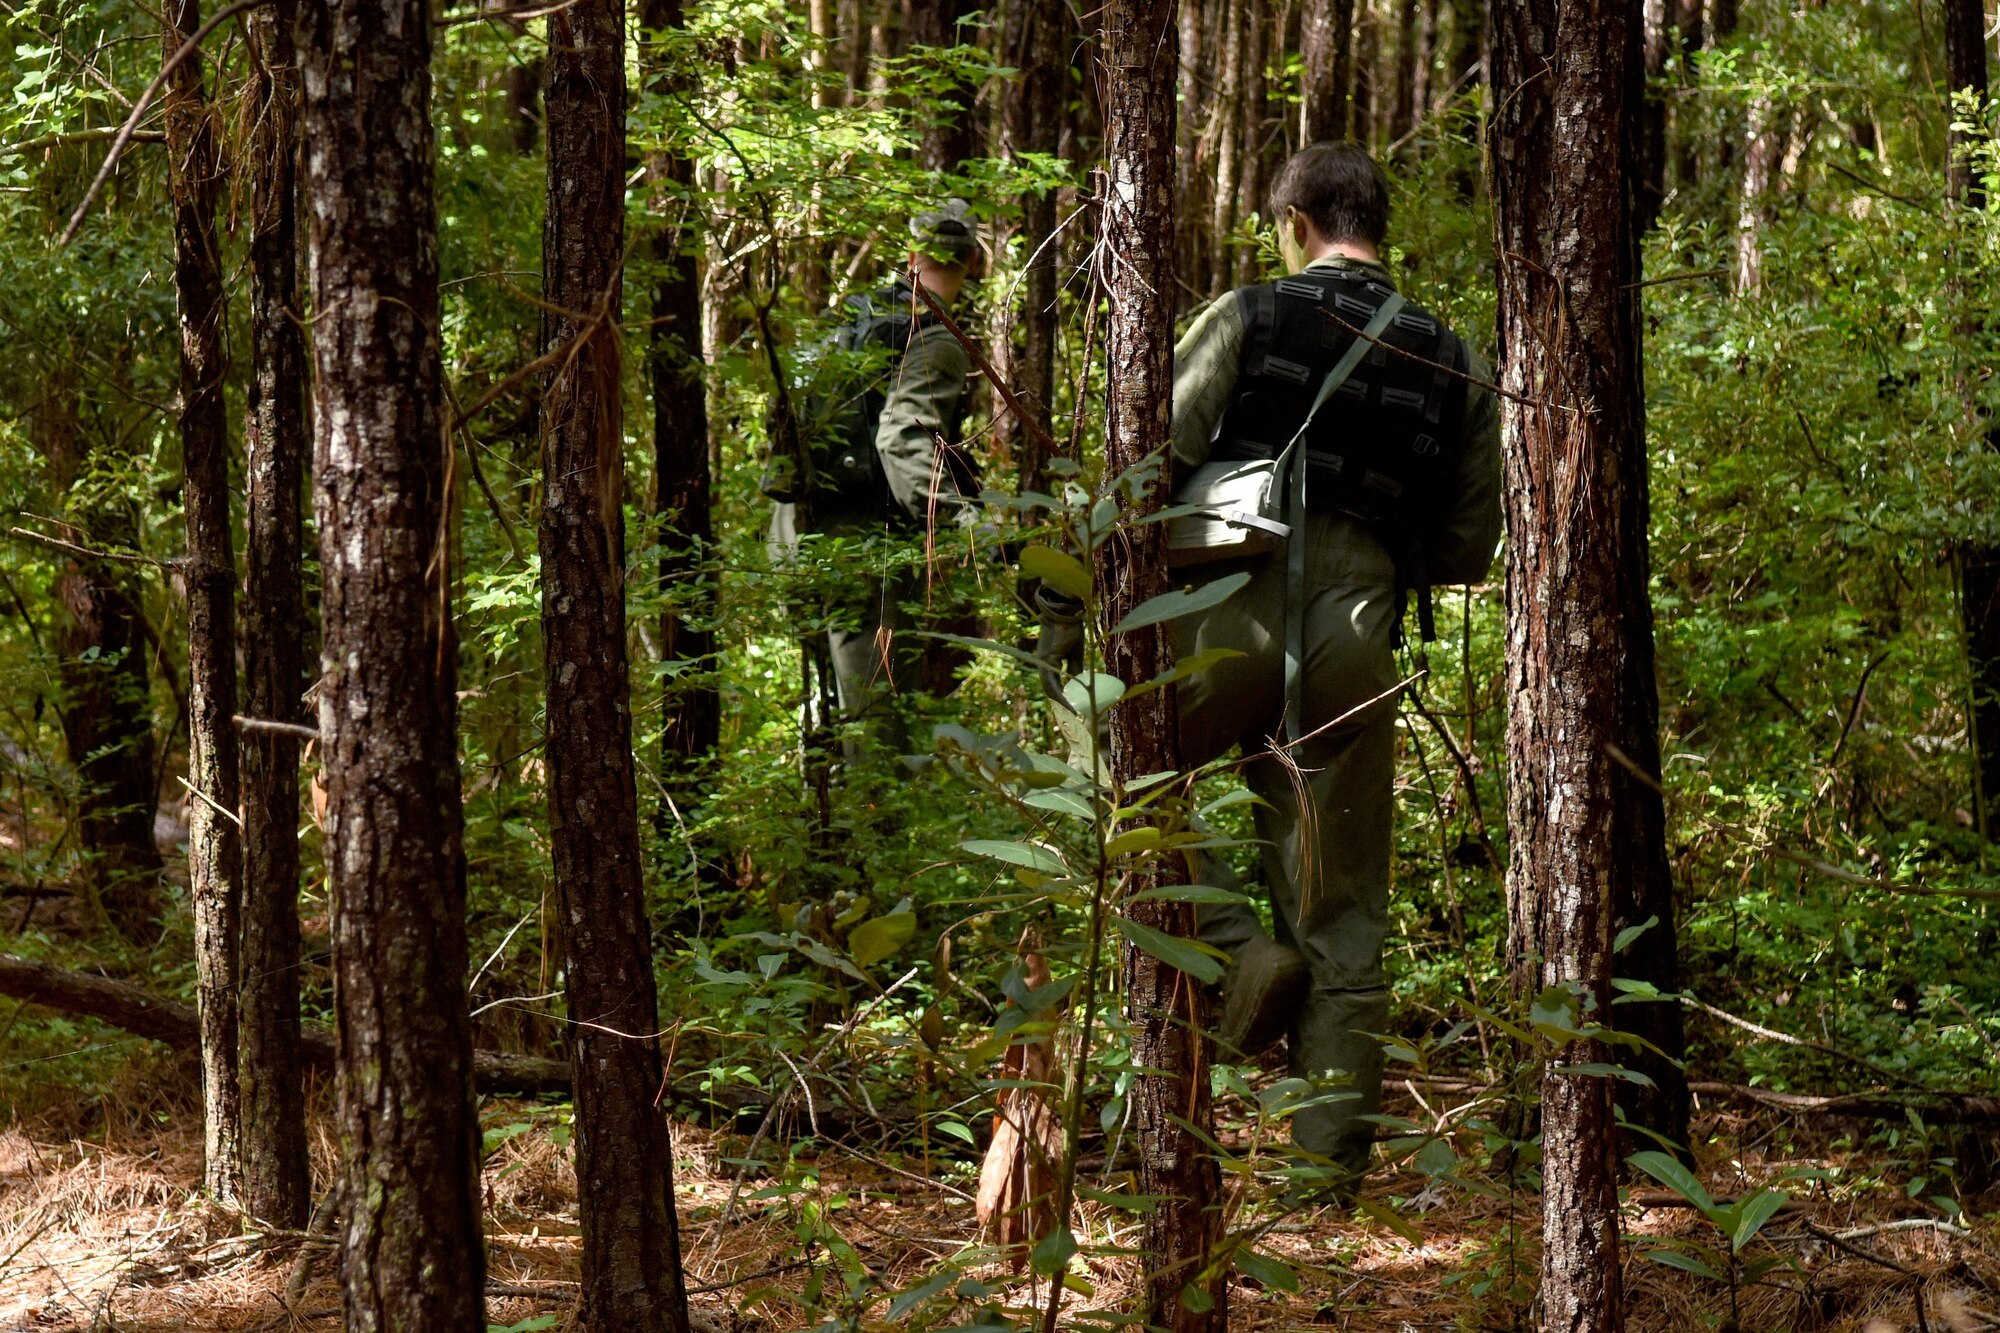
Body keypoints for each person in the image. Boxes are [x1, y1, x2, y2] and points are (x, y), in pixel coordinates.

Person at [1167, 142, 1502, 1181]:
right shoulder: (1456, 358)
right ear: (1377, 227)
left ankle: (1228, 947)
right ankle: (1320, 1182)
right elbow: (1462, 550)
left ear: (1294, 223)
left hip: (1222, 603)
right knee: (1341, 906)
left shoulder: (1247, 314)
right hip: (1357, 632)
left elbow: (1153, 449)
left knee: (1114, 768)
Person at [768, 200, 983, 757]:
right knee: (874, 722)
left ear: (912, 254)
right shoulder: (933, 338)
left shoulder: (851, 319)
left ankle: (823, 830)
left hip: (795, 532)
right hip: (863, 543)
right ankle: (873, 833)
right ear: (973, 261)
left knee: (825, 705)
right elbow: (901, 439)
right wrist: (965, 526)